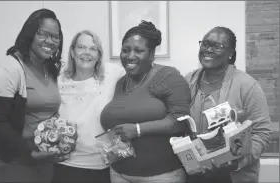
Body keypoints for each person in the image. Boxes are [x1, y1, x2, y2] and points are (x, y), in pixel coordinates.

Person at [100, 20, 191, 183]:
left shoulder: (169, 77)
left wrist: (138, 129)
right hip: (119, 174)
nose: (130, 56)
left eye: (138, 50)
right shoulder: (121, 82)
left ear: (151, 53)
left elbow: (181, 121)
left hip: (161, 176)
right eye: (125, 50)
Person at [0, 8, 64, 182]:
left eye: (55, 37)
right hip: (13, 158)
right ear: (30, 34)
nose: (50, 41)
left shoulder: (49, 68)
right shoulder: (8, 69)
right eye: (43, 34)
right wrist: (30, 154)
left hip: (42, 158)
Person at [185, 26, 272, 183]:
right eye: (205, 44)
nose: (208, 49)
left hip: (232, 175)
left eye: (217, 46)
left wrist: (238, 162)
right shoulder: (187, 81)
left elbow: (263, 133)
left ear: (230, 53)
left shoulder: (247, 86)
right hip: (193, 173)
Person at [52, 30, 125, 183]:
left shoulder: (113, 74)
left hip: (101, 168)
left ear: (99, 55)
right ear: (72, 52)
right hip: (66, 166)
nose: (87, 52)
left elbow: (138, 72)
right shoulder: (58, 82)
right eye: (81, 47)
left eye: (93, 48)